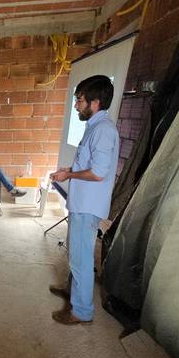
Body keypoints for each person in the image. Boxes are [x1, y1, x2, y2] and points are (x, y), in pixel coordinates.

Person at [49, 75, 119, 325]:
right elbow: (89, 164)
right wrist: (69, 170)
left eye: (79, 100)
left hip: (88, 205)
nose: (76, 105)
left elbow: (98, 173)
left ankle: (81, 311)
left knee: (81, 258)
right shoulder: (95, 127)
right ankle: (72, 291)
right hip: (82, 203)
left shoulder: (103, 130)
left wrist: (69, 175)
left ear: (95, 102)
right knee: (76, 253)